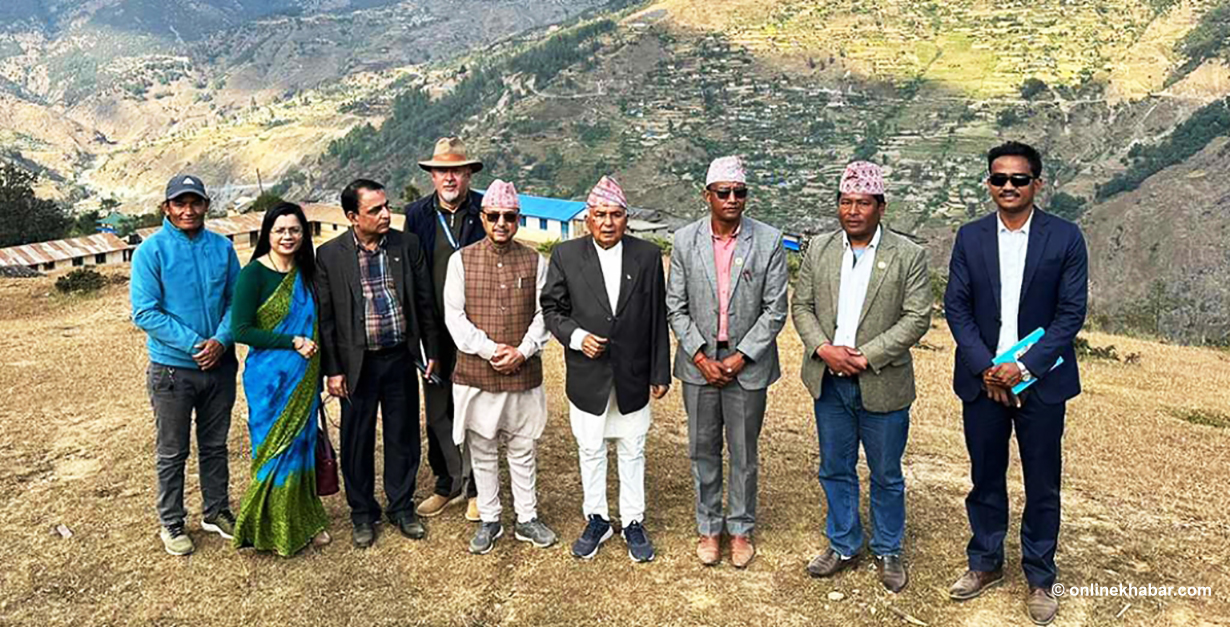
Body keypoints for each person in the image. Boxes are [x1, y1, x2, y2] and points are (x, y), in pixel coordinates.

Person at [944, 141, 1088, 626]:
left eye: (1018, 179)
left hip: (1041, 383)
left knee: (1042, 482)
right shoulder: (970, 237)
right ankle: (984, 562)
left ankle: (1041, 575)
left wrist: (1023, 369)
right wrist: (988, 366)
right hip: (982, 382)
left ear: (1037, 184)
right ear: (989, 183)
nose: (1008, 186)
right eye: (999, 179)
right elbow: (957, 308)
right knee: (985, 476)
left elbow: (1070, 315)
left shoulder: (1065, 238)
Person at [790, 162, 931, 592]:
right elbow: (802, 308)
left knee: (886, 471)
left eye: (863, 203)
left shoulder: (908, 255)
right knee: (835, 467)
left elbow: (916, 318)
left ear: (881, 207)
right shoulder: (820, 250)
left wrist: (866, 356)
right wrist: (824, 349)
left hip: (882, 381)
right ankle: (844, 542)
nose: (853, 211)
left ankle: (888, 548)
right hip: (829, 380)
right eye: (845, 202)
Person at [666, 156, 789, 568]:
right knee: (702, 449)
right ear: (707, 196)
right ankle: (708, 527)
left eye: (740, 192)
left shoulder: (768, 240)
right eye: (724, 192)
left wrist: (739, 358)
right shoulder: (684, 241)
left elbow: (775, 310)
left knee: (742, 451)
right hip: (699, 365)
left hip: (747, 366)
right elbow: (675, 306)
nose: (733, 199)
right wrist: (700, 356)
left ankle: (739, 529)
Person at [541, 176, 671, 562]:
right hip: (588, 374)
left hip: (633, 373)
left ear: (626, 218)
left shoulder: (647, 257)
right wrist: (578, 337)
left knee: (633, 449)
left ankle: (633, 520)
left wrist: (659, 372)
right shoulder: (566, 255)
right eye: (601, 215)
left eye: (616, 215)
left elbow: (656, 318)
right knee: (591, 449)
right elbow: (552, 310)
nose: (608, 222)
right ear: (588, 217)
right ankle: (596, 518)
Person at [315, 179, 440, 548]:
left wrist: (430, 350)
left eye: (387, 206)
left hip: (400, 357)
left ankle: (401, 507)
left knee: (403, 436)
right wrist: (333, 369)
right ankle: (362, 512)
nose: (386, 214)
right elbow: (326, 320)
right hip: (358, 365)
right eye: (375, 210)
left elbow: (424, 302)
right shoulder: (331, 256)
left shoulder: (407, 245)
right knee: (357, 440)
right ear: (353, 216)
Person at [442, 179, 556, 555]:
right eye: (494, 216)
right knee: (483, 448)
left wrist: (523, 351)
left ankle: (527, 518)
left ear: (518, 219)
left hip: (523, 372)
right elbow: (455, 318)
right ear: (483, 217)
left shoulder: (536, 261)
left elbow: (545, 314)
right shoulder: (460, 260)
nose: (501, 223)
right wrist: (492, 351)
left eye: (509, 216)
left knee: (523, 448)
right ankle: (490, 518)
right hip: (477, 373)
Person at [131, 174, 240, 556]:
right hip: (173, 370)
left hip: (220, 367)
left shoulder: (222, 248)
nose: (188, 210)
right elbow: (145, 312)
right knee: (172, 451)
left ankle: (216, 511)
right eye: (180, 203)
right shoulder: (151, 252)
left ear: (207, 205)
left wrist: (221, 340)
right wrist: (197, 345)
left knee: (214, 445)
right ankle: (172, 522)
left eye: (195, 202)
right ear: (167, 208)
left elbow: (235, 301)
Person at [229, 202, 331, 556]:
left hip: (305, 377)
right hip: (269, 381)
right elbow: (241, 330)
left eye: (295, 230)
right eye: (280, 230)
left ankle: (306, 519)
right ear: (267, 234)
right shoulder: (253, 274)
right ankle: (267, 526)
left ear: (304, 234)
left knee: (302, 448)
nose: (287, 236)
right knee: (273, 451)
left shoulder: (308, 273)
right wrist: (291, 341)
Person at [403, 137, 486, 521]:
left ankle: (477, 486)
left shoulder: (487, 209)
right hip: (433, 330)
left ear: (468, 172)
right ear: (432, 175)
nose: (449, 177)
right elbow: (412, 275)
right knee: (438, 410)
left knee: (476, 410)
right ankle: (446, 482)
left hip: (476, 329)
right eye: (442, 171)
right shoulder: (417, 214)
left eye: (456, 170)